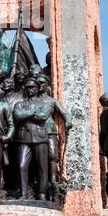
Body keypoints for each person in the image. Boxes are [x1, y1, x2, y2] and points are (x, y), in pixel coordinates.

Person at [37, 74, 72, 202]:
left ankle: (52, 180)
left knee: (53, 157)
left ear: (46, 84)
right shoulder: (32, 99)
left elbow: (64, 113)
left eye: (41, 82)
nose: (39, 84)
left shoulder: (52, 101)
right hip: (36, 133)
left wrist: (68, 121)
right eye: (38, 82)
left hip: (50, 131)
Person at [14, 78, 50, 200]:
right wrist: (33, 112)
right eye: (28, 87)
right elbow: (18, 116)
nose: (30, 89)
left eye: (32, 87)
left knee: (42, 167)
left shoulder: (43, 104)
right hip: (24, 138)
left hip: (40, 138)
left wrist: (27, 114)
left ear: (37, 88)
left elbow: (44, 116)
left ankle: (42, 194)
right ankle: (23, 193)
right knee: (21, 165)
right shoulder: (19, 104)